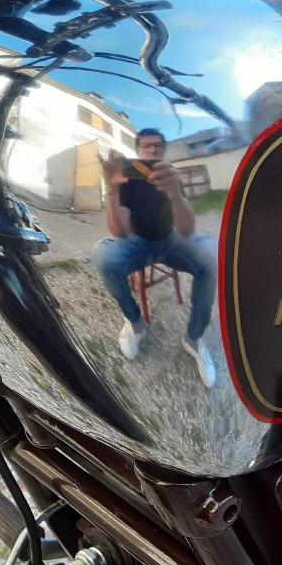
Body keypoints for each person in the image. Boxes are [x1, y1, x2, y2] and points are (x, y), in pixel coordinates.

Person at [91, 128, 217, 387]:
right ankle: (135, 323)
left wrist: (175, 194)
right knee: (103, 255)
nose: (152, 150)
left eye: (157, 146)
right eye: (146, 146)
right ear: (138, 150)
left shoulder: (171, 176)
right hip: (137, 242)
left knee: (211, 255)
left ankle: (194, 338)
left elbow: (187, 229)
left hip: (170, 240)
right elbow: (119, 232)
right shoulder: (126, 181)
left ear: (164, 150)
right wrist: (111, 190)